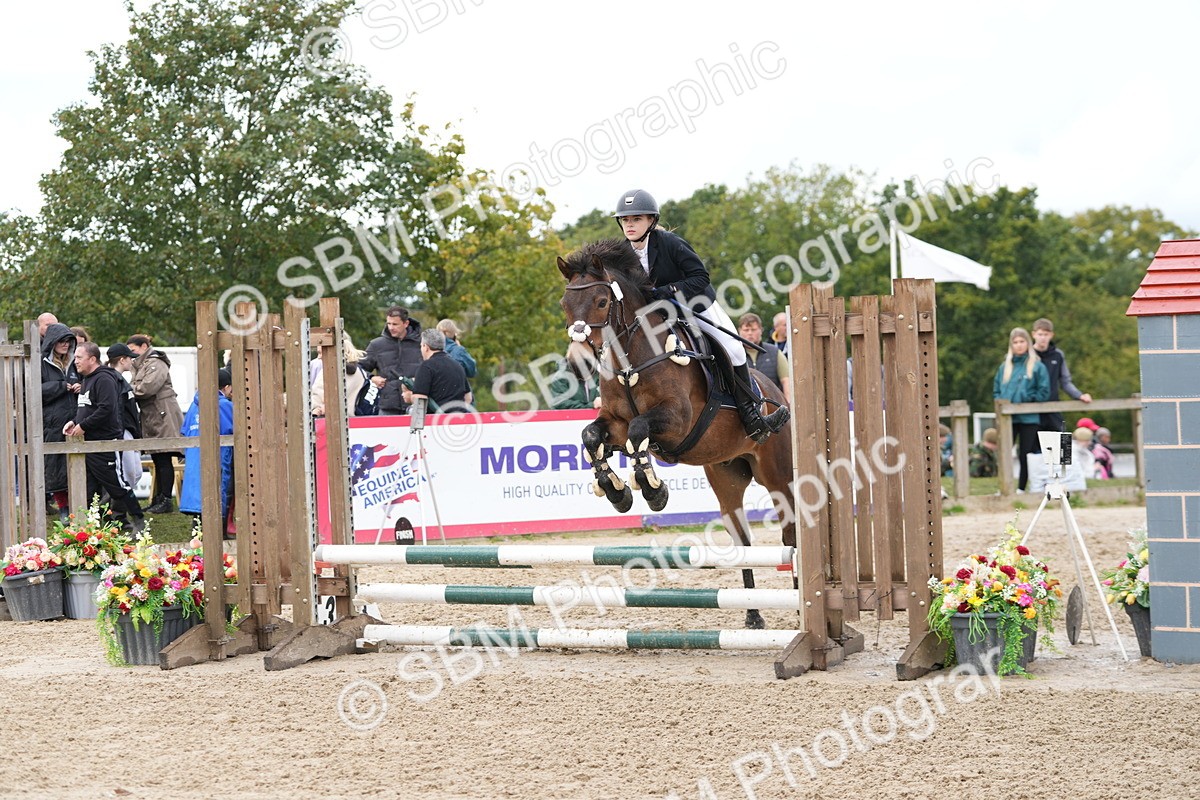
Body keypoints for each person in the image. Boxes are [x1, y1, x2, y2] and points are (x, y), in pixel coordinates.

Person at [613, 188, 789, 442]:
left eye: (636, 219)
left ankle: (751, 415)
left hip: (695, 305)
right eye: (626, 220)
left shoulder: (670, 243)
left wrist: (669, 290)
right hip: (659, 315)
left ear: (651, 220)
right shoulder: (622, 254)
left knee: (734, 349)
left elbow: (700, 277)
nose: (630, 225)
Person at [62, 343, 145, 533]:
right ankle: (88, 529)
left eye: (79, 358)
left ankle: (139, 521)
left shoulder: (105, 379)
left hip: (104, 442)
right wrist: (74, 421)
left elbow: (107, 409)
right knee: (89, 489)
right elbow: (86, 408)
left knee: (117, 485)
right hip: (89, 444)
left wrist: (83, 426)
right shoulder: (87, 380)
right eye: (75, 358)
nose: (75, 362)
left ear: (92, 359)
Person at [126, 334, 184, 514]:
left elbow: (147, 387)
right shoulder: (142, 364)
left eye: (133, 350)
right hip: (153, 414)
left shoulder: (156, 363)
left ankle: (166, 499)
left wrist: (127, 390)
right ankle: (159, 498)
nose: (131, 355)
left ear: (144, 346)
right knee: (158, 458)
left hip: (162, 414)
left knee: (165, 455)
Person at [993, 327, 1050, 492]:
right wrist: (1000, 403)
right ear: (1011, 344)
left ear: (1028, 343)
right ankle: (1003, 487)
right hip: (1007, 418)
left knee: (1026, 454)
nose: (1018, 345)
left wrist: (1030, 398)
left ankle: (1021, 487)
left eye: (1022, 341)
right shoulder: (1004, 367)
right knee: (1004, 453)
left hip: (1029, 417)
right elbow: (997, 389)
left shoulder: (1037, 366)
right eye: (1015, 342)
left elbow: (1044, 391)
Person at [179, 368, 235, 528]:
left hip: (194, 457)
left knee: (198, 495)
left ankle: (197, 533)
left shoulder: (194, 405)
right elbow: (236, 430)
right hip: (217, 457)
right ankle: (219, 533)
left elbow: (184, 430)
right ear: (226, 387)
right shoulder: (224, 405)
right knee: (218, 492)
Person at [40, 323, 79, 521]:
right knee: (55, 468)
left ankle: (77, 508)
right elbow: (32, 392)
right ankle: (63, 509)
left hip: (76, 422)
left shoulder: (75, 362)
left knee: (78, 465)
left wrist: (81, 386)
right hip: (52, 423)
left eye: (68, 341)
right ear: (52, 342)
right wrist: (61, 386)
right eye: (61, 341)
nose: (65, 344)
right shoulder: (41, 363)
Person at [358, 306, 423, 415]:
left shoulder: (422, 344)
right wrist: (372, 378)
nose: (391, 327)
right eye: (389, 323)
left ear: (406, 324)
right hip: (387, 406)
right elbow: (359, 368)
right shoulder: (376, 345)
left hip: (416, 404)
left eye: (395, 324)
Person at [1031, 318, 1092, 433]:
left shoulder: (1058, 355)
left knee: (1062, 443)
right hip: (1031, 408)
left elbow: (1065, 382)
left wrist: (1079, 395)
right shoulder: (1027, 355)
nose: (1043, 337)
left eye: (1046, 334)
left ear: (1051, 335)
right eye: (1040, 334)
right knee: (1032, 448)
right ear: (1034, 334)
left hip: (1053, 406)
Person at [105, 343, 144, 494]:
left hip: (129, 431)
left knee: (135, 472)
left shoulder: (120, 379)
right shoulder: (113, 380)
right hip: (121, 431)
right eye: (129, 358)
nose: (132, 361)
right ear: (122, 360)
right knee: (128, 473)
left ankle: (122, 507)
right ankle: (121, 509)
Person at [401, 329, 470, 412]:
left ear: (426, 347)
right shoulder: (457, 365)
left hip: (435, 421)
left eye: (421, 346)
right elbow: (468, 397)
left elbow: (420, 400)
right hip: (458, 419)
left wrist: (410, 397)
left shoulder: (426, 367)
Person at [311, 333, 371, 419]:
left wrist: (315, 409)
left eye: (321, 353)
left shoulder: (330, 370)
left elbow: (319, 397)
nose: (319, 358)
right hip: (353, 419)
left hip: (329, 420)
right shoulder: (359, 372)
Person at [737, 312, 791, 403]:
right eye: (746, 330)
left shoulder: (774, 352)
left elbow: (786, 381)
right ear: (739, 331)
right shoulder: (734, 354)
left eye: (753, 329)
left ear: (761, 330)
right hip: (744, 407)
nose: (750, 333)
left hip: (774, 406)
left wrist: (788, 405)